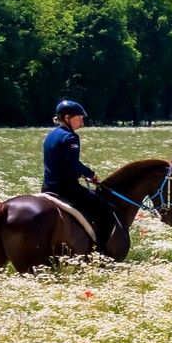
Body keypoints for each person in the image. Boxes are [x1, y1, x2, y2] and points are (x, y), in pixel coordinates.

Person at [41, 100, 116, 245]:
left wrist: (81, 174)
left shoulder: (51, 135)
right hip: (67, 190)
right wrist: (91, 174)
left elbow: (63, 163)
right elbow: (74, 165)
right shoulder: (71, 137)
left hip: (48, 187)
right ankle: (101, 249)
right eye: (79, 117)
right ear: (67, 117)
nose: (82, 121)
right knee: (105, 209)